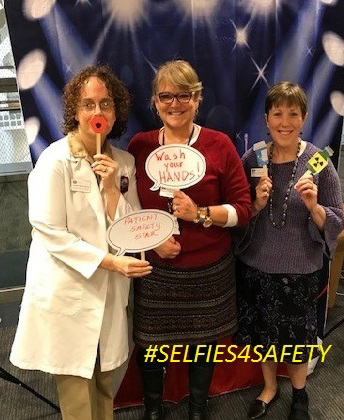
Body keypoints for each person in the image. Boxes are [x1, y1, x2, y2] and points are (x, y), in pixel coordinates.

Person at [10, 65, 152, 420]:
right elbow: (49, 230)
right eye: (88, 104)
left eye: (105, 103)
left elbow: (131, 227)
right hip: (70, 289)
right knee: (76, 394)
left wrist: (110, 191)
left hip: (110, 294)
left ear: (115, 111)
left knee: (106, 384)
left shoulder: (124, 162)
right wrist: (111, 263)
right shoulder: (55, 161)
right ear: (75, 110)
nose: (97, 112)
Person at [128, 60, 251, 420]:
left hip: (208, 270)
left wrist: (200, 213)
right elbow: (125, 213)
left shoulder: (219, 145)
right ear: (154, 101)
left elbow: (242, 210)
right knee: (150, 348)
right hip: (157, 271)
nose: (175, 103)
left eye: (184, 95)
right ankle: (154, 409)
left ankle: (198, 408)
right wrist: (151, 243)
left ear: (197, 99)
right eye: (166, 95)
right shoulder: (139, 147)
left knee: (204, 347)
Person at [234, 81, 343, 420]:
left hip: (301, 267)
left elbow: (337, 220)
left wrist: (314, 207)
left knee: (297, 339)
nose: (285, 121)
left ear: (304, 118)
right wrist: (255, 203)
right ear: (266, 119)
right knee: (265, 335)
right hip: (257, 265)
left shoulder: (318, 162)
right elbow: (236, 212)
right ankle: (269, 388)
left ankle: (299, 392)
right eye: (277, 113)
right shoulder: (254, 158)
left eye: (292, 114)